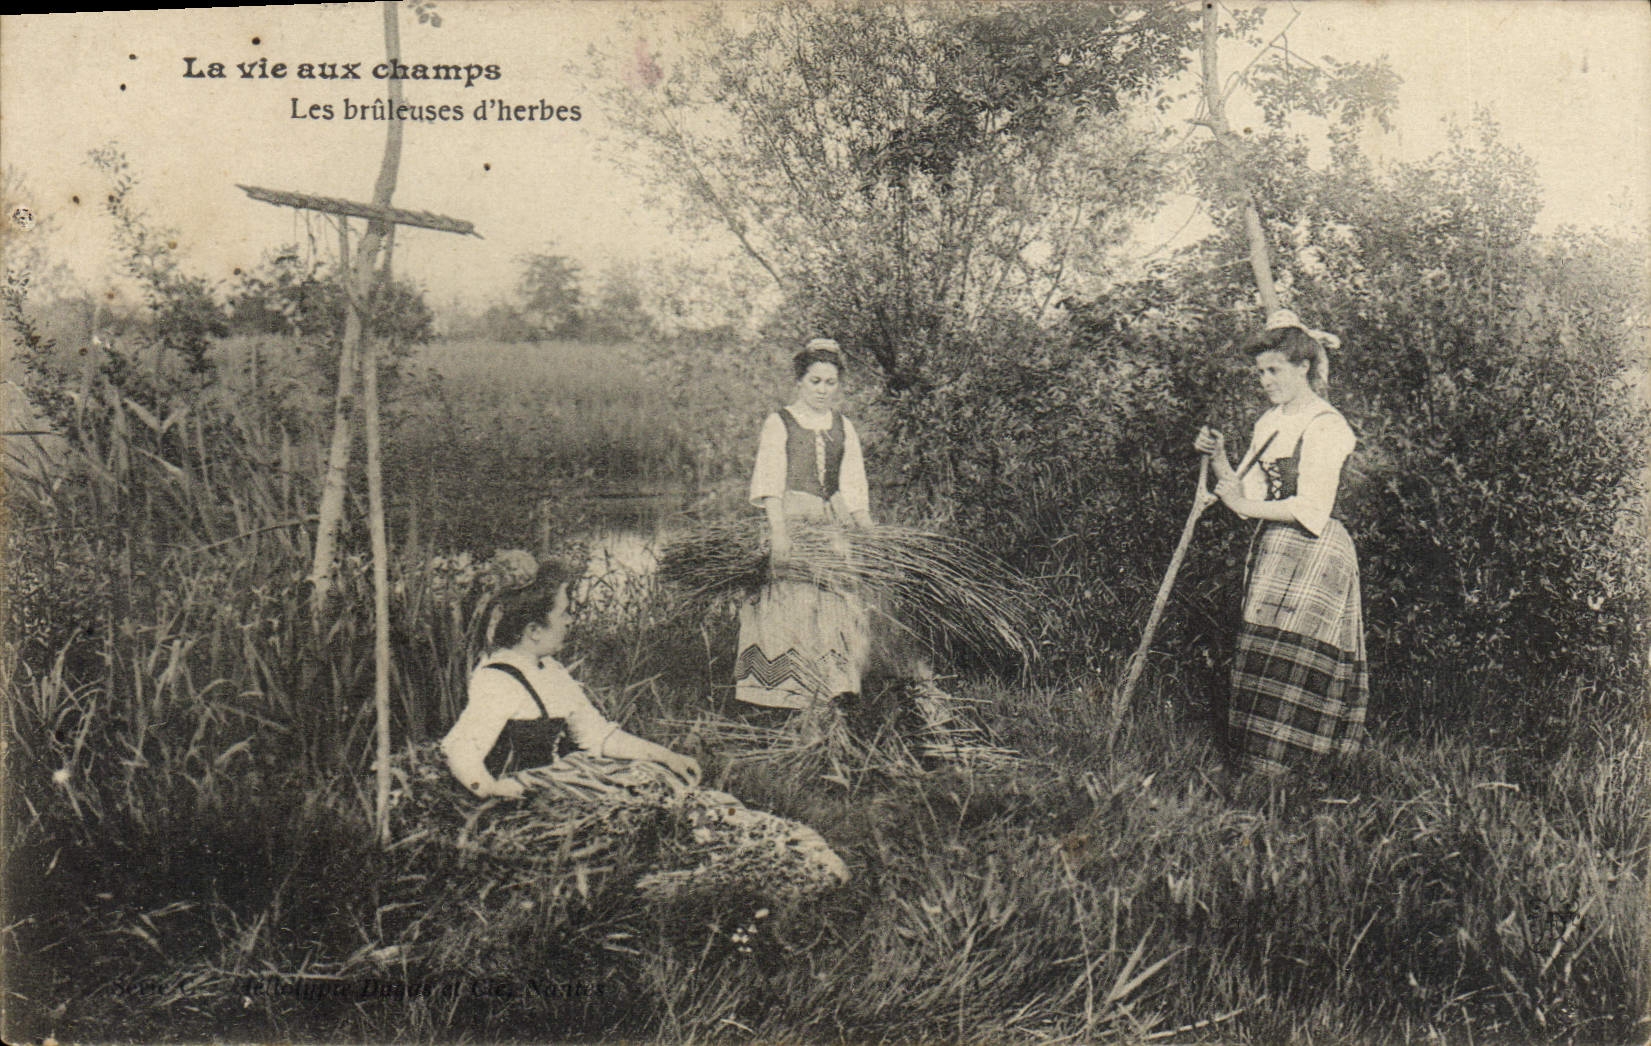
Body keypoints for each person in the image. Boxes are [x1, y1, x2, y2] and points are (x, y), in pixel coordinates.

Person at [1194, 310, 1368, 776]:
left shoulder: (1325, 424)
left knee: (1302, 655)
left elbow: (1311, 507)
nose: (1265, 380)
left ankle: (1303, 772)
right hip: (1274, 549)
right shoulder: (1269, 422)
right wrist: (1219, 457)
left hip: (1317, 551)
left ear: (1303, 368)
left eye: (1274, 370)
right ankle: (1259, 770)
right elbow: (1245, 494)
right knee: (1264, 651)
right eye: (1260, 372)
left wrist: (1245, 508)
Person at [441, 565, 700, 798]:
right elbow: (461, 748)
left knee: (661, 779)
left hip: (557, 780)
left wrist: (666, 756)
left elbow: (596, 736)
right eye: (564, 614)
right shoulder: (498, 679)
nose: (570, 621)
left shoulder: (550, 671)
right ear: (533, 631)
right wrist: (487, 788)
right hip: (528, 795)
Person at [735, 338, 873, 713]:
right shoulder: (780, 423)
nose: (823, 391)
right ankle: (783, 698)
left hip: (830, 525)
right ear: (799, 381)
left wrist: (870, 534)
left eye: (830, 383)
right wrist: (779, 534)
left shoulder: (844, 426)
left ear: (839, 385)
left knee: (834, 603)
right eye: (815, 382)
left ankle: (832, 691)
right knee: (792, 601)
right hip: (792, 521)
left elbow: (854, 487)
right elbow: (769, 484)